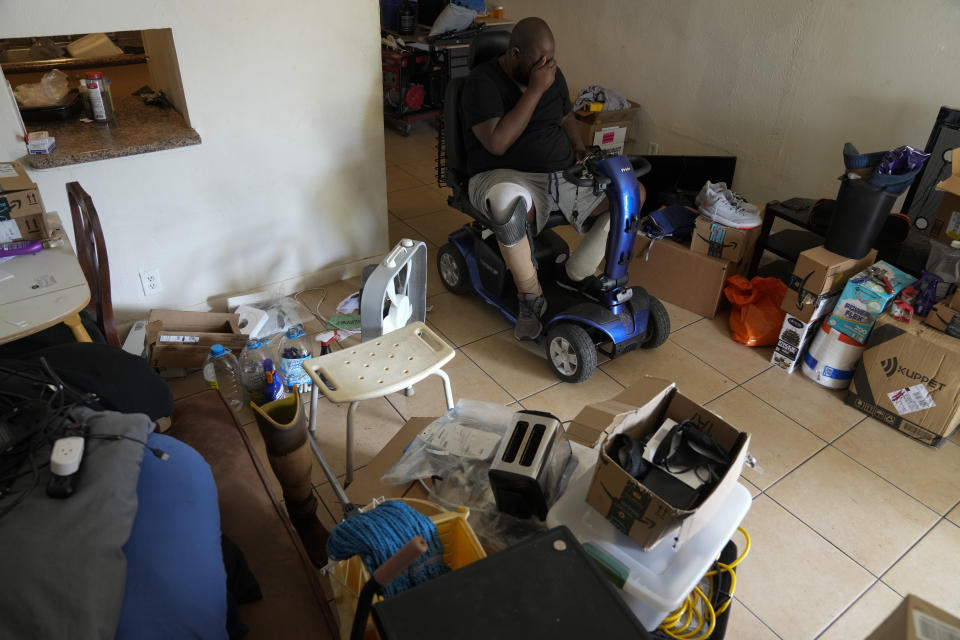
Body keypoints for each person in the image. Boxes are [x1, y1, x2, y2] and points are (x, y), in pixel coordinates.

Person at [462, 17, 636, 340]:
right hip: (504, 174)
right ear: (515, 54)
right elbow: (497, 143)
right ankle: (530, 296)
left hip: (562, 174)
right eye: (539, 61)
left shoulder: (550, 74)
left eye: (551, 59)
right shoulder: (481, 83)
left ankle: (576, 274)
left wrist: (578, 146)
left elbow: (566, 115)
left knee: (629, 194)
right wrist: (535, 90)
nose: (547, 66)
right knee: (507, 204)